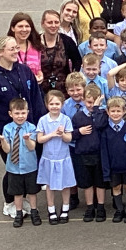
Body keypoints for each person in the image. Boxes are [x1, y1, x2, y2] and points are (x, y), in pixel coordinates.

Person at [0, 36, 47, 218]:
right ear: (0, 52)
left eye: (17, 48)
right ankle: (9, 202)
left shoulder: (24, 71)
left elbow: (36, 98)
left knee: (27, 165)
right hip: (7, 133)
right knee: (13, 167)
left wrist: (41, 123)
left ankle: (22, 198)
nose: (16, 51)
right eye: (11, 49)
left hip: (28, 130)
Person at [0, 98, 41, 228]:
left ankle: (34, 211)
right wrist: (3, 141)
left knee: (32, 191)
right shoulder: (7, 129)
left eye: (23, 113)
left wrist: (28, 139)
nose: (20, 116)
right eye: (17, 113)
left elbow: (32, 147)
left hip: (29, 166)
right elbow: (7, 150)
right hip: (14, 167)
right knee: (17, 192)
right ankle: (18, 213)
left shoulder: (31, 128)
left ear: (27, 113)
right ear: (10, 114)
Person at [36, 90, 76, 225]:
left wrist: (62, 134)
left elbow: (69, 138)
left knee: (65, 185)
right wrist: (52, 134)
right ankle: (51, 209)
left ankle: (65, 208)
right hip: (49, 158)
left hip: (63, 157)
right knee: (50, 185)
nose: (54, 106)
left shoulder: (65, 119)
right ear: (47, 104)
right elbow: (40, 139)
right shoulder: (43, 120)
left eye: (57, 104)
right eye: (51, 103)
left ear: (62, 104)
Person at [71, 84, 109, 223]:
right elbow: (71, 134)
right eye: (89, 102)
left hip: (99, 154)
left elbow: (99, 125)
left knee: (100, 183)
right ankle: (89, 207)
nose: (91, 105)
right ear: (83, 100)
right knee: (87, 183)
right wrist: (78, 132)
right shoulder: (77, 116)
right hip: (83, 154)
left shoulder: (101, 114)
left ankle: (100, 207)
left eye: (94, 102)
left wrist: (98, 108)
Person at [100, 96, 126, 223]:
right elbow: (104, 152)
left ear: (124, 111)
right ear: (108, 112)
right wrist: (106, 171)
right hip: (113, 167)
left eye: (118, 111)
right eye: (113, 111)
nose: (116, 114)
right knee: (116, 187)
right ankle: (120, 209)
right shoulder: (105, 131)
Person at [38, 9, 83, 95]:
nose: (53, 25)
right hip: (41, 90)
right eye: (50, 22)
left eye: (56, 22)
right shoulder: (35, 42)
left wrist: (72, 78)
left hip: (63, 90)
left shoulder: (67, 41)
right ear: (42, 24)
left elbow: (77, 61)